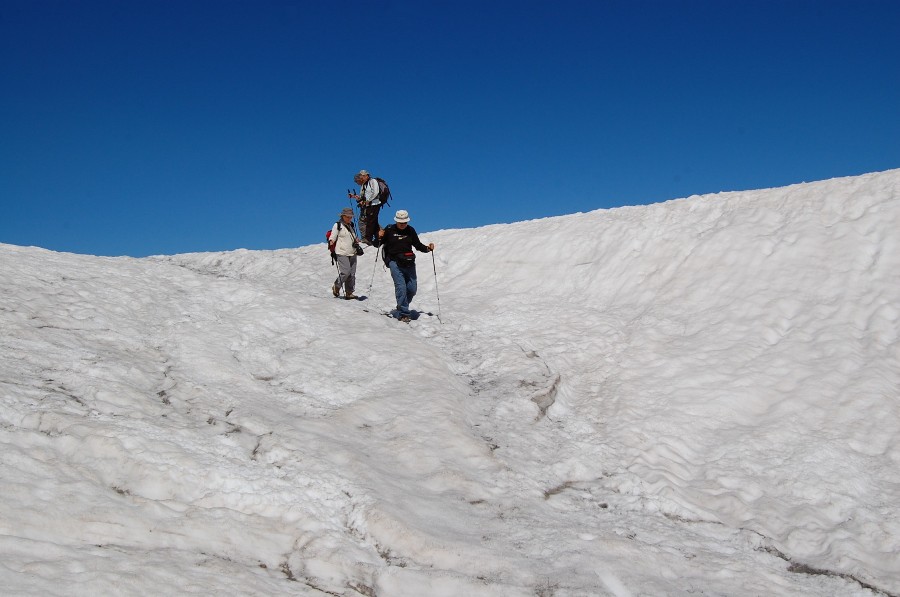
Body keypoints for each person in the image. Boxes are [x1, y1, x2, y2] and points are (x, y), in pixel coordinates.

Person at [375, 209, 434, 322]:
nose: (403, 224)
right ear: (396, 221)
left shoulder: (410, 230)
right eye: (400, 222)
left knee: (412, 289)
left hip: (409, 262)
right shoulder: (389, 230)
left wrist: (427, 248)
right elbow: (376, 244)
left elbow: (417, 245)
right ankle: (404, 313)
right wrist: (379, 236)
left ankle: (401, 305)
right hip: (394, 262)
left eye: (405, 222)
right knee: (401, 287)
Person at [328, 207, 362, 300]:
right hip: (341, 252)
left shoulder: (351, 225)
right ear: (343, 216)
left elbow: (353, 237)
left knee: (352, 274)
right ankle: (337, 285)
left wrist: (357, 240)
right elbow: (333, 235)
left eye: (350, 217)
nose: (349, 218)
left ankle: (349, 292)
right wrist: (331, 241)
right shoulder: (337, 225)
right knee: (345, 272)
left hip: (352, 252)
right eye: (347, 216)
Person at [350, 170, 383, 246]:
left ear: (366, 175)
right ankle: (379, 235)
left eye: (362, 176)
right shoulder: (364, 185)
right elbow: (363, 197)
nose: (361, 178)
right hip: (368, 206)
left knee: (370, 222)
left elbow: (375, 192)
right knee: (370, 221)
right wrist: (355, 197)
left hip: (374, 205)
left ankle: (368, 238)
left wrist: (368, 201)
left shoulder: (372, 181)